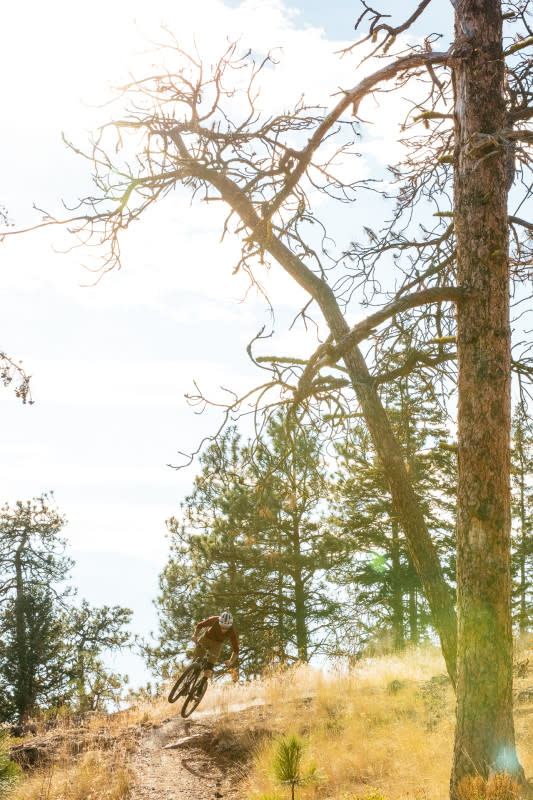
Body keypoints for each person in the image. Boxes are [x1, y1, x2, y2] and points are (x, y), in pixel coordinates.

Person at [191, 611, 239, 680]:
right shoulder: (214, 619)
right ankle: (188, 678)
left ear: (230, 626)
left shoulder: (232, 631)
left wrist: (231, 661)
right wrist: (195, 635)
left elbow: (236, 649)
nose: (223, 629)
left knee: (209, 668)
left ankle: (202, 683)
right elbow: (199, 625)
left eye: (226, 628)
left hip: (217, 644)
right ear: (219, 622)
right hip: (205, 639)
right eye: (222, 626)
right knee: (196, 661)